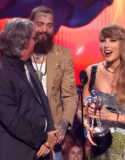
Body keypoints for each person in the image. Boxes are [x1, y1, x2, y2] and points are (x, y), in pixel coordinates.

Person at [0, 18, 58, 160]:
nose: (36, 41)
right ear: (25, 43)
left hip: (40, 151)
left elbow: (42, 102)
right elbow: (13, 121)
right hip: (16, 153)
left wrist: (50, 132)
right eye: (34, 38)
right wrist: (44, 138)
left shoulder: (26, 63)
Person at [83, 23, 125, 159]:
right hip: (101, 149)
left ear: (123, 44)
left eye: (112, 40)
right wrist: (87, 126)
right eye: (103, 40)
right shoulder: (91, 72)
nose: (106, 45)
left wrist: (110, 116)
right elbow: (83, 111)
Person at [28, 6, 78, 159]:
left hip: (54, 132)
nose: (44, 29)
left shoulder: (63, 54)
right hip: (25, 131)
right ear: (31, 25)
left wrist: (64, 122)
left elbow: (70, 95)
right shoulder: (20, 53)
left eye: (49, 26)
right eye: (40, 24)